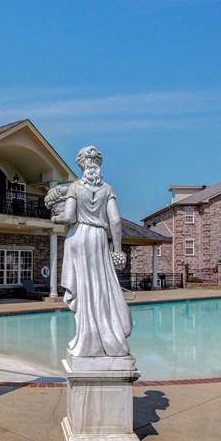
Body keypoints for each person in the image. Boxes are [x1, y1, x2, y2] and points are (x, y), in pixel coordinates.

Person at [46, 146, 132, 358]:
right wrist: (118, 249)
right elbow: (116, 221)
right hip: (99, 237)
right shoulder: (107, 189)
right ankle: (108, 334)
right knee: (101, 285)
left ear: (81, 164)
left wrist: (54, 218)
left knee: (84, 288)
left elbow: (68, 217)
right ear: (98, 164)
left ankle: (87, 338)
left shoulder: (76, 187)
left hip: (79, 236)